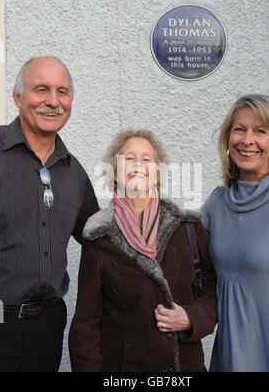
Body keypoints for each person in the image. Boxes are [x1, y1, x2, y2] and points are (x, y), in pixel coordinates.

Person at [69, 130, 217, 372]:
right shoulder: (98, 235)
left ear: (157, 173)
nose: (138, 164)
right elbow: (85, 326)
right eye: (128, 158)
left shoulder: (188, 226)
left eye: (147, 159)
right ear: (114, 172)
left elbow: (212, 289)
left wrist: (192, 317)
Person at [0, 56, 99, 372]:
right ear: (18, 97)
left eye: (62, 92)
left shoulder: (73, 172)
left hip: (48, 327)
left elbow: (98, 237)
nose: (53, 102)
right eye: (41, 90)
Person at [202, 94, 269, 372]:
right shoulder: (217, 203)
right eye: (239, 129)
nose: (247, 140)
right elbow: (188, 266)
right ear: (228, 137)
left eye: (260, 131)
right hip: (234, 350)